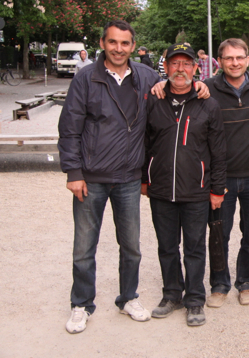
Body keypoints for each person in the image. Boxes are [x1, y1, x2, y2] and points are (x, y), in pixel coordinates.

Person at [58, 20, 162, 334]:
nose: (119, 48)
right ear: (103, 43)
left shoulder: (146, 76)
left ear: (133, 46)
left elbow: (175, 90)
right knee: (84, 247)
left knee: (131, 246)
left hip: (128, 177)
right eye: (113, 42)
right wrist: (73, 172)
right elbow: (70, 127)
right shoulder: (86, 77)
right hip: (91, 178)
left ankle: (128, 297)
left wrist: (200, 86)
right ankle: (81, 303)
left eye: (125, 43)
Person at [143, 43, 227, 327]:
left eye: (186, 64)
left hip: (196, 190)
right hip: (161, 189)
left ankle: (194, 299)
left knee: (194, 248)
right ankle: (171, 294)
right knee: (167, 247)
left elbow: (218, 151)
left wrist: (217, 188)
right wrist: (145, 178)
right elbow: (144, 143)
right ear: (166, 67)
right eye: (174, 63)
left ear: (195, 68)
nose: (180, 69)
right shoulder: (154, 100)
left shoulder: (208, 103)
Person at [202, 38, 249, 308]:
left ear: (248, 59)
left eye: (240, 57)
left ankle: (247, 283)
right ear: (219, 61)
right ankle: (219, 285)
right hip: (222, 177)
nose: (235, 63)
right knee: (219, 234)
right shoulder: (207, 88)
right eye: (229, 58)